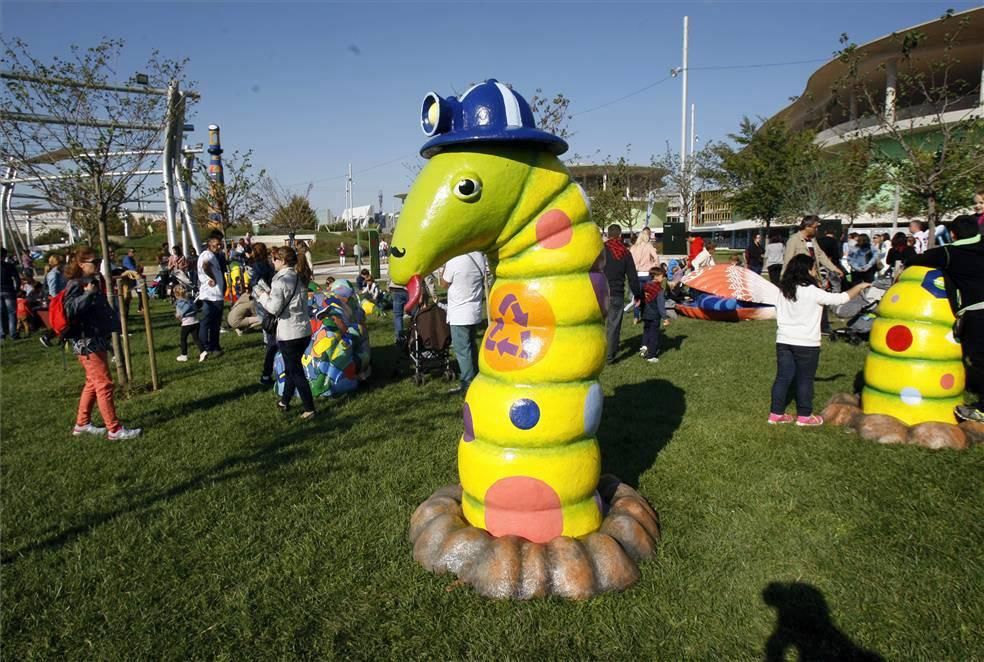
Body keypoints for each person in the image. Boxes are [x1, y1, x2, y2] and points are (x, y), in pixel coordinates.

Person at [768, 254, 870, 427]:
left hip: (784, 340)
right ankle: (804, 416)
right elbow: (841, 299)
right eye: (814, 268)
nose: (816, 271)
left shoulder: (784, 290)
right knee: (805, 379)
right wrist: (860, 286)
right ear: (807, 270)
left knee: (783, 377)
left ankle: (776, 414)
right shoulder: (812, 292)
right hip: (807, 343)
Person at [908, 215, 984, 423]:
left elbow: (916, 259)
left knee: (981, 360)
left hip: (978, 312)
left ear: (952, 234)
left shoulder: (950, 252)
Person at [62, 247, 141, 439]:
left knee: (92, 382)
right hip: (86, 341)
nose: (97, 265)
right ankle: (114, 429)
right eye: (93, 262)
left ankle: (82, 423)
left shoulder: (91, 280)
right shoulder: (76, 284)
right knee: (104, 384)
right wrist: (88, 294)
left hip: (95, 338)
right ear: (81, 264)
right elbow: (70, 309)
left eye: (98, 261)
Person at [254, 247, 315, 419]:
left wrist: (262, 296)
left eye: (274, 259)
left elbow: (273, 308)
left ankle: (309, 408)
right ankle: (284, 401)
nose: (272, 262)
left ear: (282, 261)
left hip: (290, 333)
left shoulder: (280, 281)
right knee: (291, 367)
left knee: (296, 371)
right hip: (303, 330)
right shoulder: (299, 277)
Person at [441, 250, 486, 394]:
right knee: (471, 346)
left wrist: (442, 268)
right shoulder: (479, 256)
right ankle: (477, 377)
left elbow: (443, 283)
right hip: (475, 310)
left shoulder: (455, 259)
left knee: (462, 350)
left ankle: (467, 383)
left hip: (459, 313)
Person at [603, 224, 642, 365]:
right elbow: (632, 277)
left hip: (599, 293)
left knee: (597, 325)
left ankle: (595, 352)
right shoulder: (625, 253)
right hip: (616, 293)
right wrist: (637, 295)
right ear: (620, 236)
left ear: (607, 235)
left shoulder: (600, 250)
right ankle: (609, 357)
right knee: (613, 326)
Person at [249, 243, 279, 386]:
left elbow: (254, 282)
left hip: (262, 298)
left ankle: (269, 346)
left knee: (269, 331)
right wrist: (266, 292)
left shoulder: (258, 264)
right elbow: (256, 282)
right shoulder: (262, 265)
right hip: (265, 298)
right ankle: (269, 370)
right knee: (271, 331)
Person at [197, 235, 226, 360]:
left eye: (220, 244)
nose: (218, 246)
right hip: (211, 295)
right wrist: (212, 278)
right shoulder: (207, 255)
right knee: (207, 323)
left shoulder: (213, 255)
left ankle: (214, 346)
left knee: (214, 323)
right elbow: (205, 266)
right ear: (209, 244)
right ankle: (206, 347)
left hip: (215, 295)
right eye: (216, 244)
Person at [639, 266, 670, 363]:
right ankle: (651, 356)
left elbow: (639, 298)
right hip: (654, 316)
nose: (663, 278)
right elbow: (661, 306)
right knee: (654, 336)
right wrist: (665, 318)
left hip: (645, 314)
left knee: (646, 331)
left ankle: (644, 346)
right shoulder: (659, 290)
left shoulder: (645, 286)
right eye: (662, 276)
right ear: (656, 277)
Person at [629, 228, 660, 324]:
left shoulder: (633, 247)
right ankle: (647, 315)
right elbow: (656, 257)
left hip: (637, 274)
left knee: (637, 296)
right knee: (649, 296)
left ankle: (635, 317)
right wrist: (655, 266)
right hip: (647, 274)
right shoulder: (648, 246)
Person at [173, 284, 205, 362]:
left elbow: (179, 315)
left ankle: (184, 355)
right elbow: (196, 309)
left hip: (187, 323)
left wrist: (177, 316)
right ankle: (203, 352)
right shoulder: (190, 301)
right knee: (196, 338)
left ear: (176, 294)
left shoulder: (179, 303)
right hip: (196, 321)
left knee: (183, 339)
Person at [1, 248, 21, 341]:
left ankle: (1, 334)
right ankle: (13, 333)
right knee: (11, 313)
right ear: (5, 256)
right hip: (8, 290)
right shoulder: (9, 266)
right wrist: (17, 289)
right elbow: (17, 279)